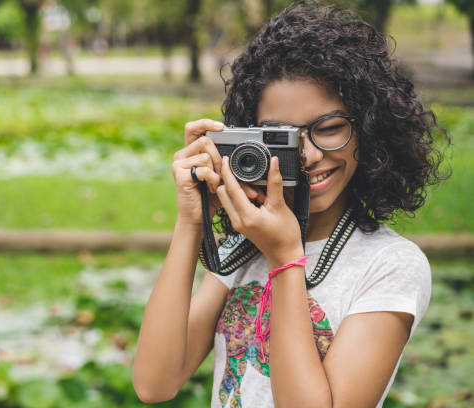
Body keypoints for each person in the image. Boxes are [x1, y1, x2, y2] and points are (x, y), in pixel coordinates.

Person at [132, 1, 448, 407]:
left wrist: (283, 258)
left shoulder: (390, 264)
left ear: (370, 128)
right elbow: (154, 384)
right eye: (281, 137)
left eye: (330, 128)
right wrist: (191, 223)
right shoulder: (245, 249)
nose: (309, 155)